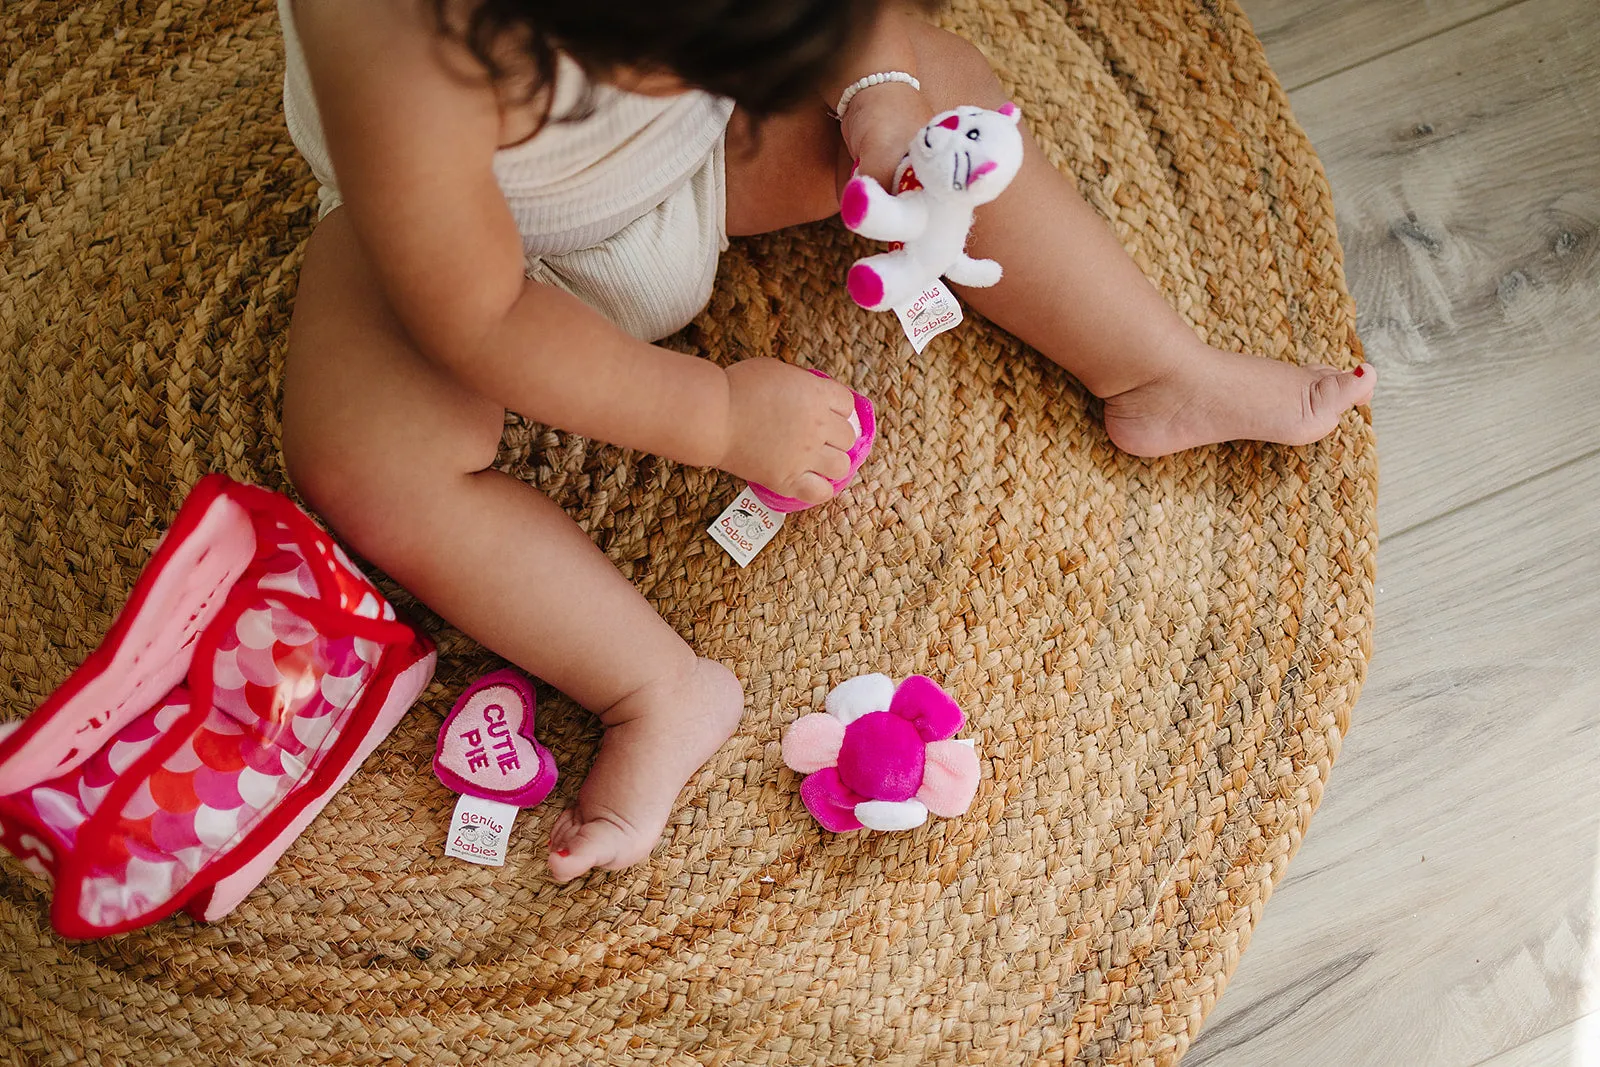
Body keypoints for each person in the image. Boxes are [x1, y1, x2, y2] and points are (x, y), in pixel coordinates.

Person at [275, 0, 1376, 882]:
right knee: (364, 457)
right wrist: (712, 413)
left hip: (698, 161)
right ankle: (656, 686)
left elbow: (859, 36)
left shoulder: (714, 71)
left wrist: (880, 105)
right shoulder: (393, 43)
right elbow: (478, 318)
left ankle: (1153, 367)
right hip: (487, 261)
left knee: (950, 91)